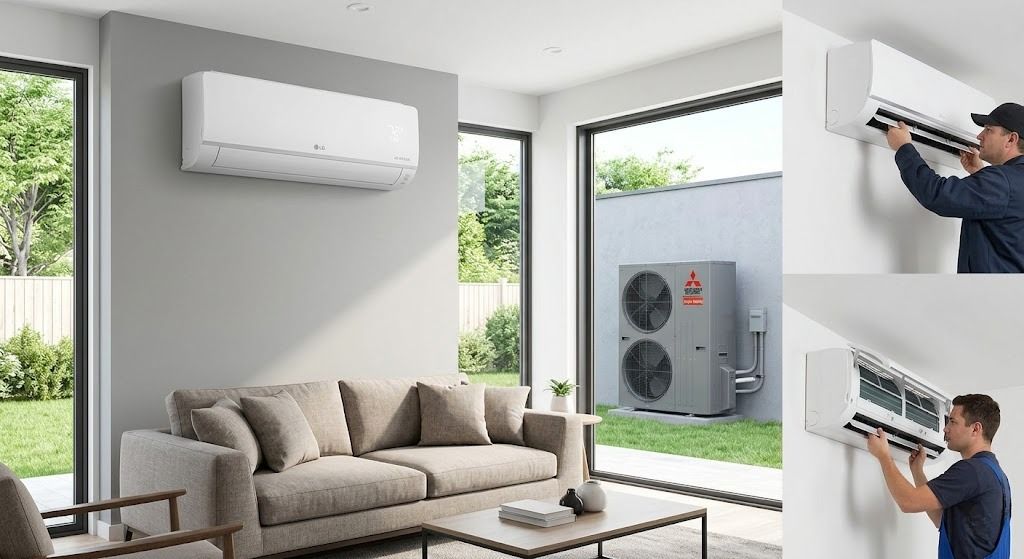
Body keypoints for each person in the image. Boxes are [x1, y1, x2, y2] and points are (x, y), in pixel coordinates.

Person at [866, 394, 1011, 559]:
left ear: (975, 429)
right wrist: (917, 471)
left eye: (953, 421)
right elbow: (944, 521)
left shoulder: (972, 471)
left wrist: (884, 456)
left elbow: (908, 502)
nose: (945, 428)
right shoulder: (996, 475)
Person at [885, 102, 1024, 273]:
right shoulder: (1012, 182)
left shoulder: (1002, 182)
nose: (980, 136)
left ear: (1011, 139)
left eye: (989, 129)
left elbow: (938, 195)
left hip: (990, 296)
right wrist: (979, 175)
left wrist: (904, 148)